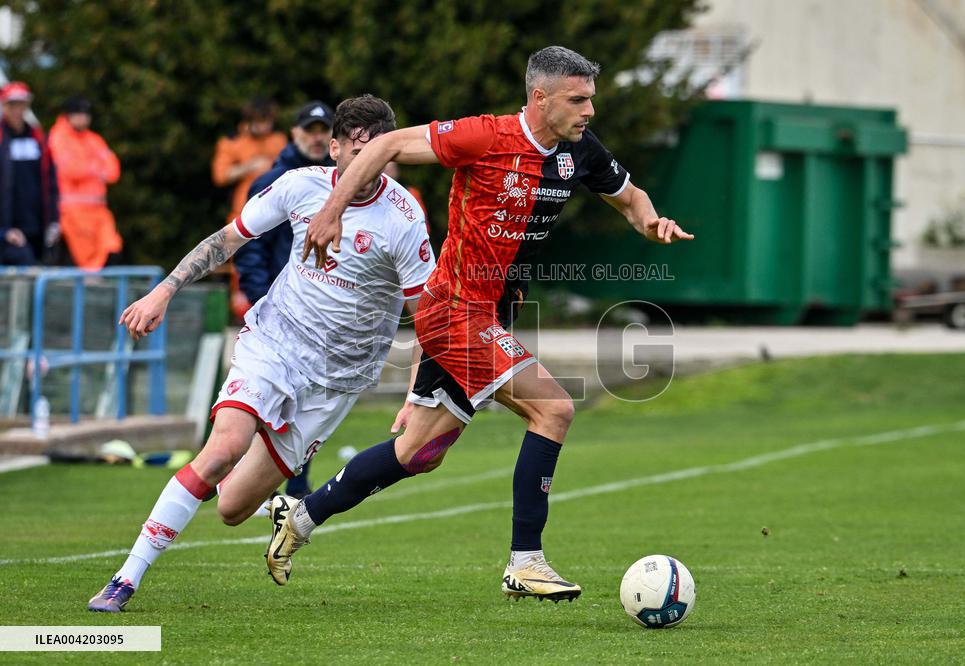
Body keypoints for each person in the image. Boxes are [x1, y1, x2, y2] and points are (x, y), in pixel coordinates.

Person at [264, 46, 694, 602]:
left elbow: (630, 198)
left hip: (495, 310)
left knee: (419, 451)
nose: (590, 110)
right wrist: (331, 212)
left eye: (592, 99)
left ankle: (299, 518)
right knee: (554, 407)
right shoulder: (484, 136)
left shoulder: (579, 151)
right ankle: (526, 561)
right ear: (540, 98)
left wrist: (651, 221)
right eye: (579, 99)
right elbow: (389, 144)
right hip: (455, 309)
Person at [87, 95, 435, 612]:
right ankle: (126, 578)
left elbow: (426, 316)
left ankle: (274, 505)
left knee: (231, 507)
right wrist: (164, 290)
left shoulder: (404, 217)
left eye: (377, 151)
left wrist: (415, 396)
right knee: (223, 448)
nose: (364, 161)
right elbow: (227, 240)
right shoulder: (299, 186)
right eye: (354, 149)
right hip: (274, 343)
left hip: (335, 381)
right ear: (333, 147)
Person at [235, 99, 336, 499]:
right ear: (293, 134)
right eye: (309, 130)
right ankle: (234, 474)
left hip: (317, 314)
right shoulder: (272, 181)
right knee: (263, 401)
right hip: (278, 314)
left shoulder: (339, 184)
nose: (316, 137)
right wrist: (262, 298)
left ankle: (293, 491)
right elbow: (250, 246)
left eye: (323, 130)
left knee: (303, 403)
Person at [48, 96, 123, 270]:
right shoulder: (59, 137)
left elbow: (113, 171)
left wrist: (89, 168)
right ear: (69, 115)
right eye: (79, 113)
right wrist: (96, 168)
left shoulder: (94, 139)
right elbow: (71, 170)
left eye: (86, 114)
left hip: (98, 211)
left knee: (112, 248)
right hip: (72, 213)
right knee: (83, 260)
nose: (83, 117)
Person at [0, 81, 59, 265]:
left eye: (21, 105)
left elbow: (51, 182)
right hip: (8, 233)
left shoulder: (38, 139)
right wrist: (3, 230)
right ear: (4, 106)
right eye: (12, 105)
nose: (17, 110)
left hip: (36, 228)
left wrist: (54, 221)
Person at [211, 97, 287, 226]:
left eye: (267, 121)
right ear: (248, 121)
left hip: (277, 212)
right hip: (243, 212)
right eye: (260, 121)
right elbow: (220, 176)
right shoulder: (233, 142)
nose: (264, 126)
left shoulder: (279, 140)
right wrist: (249, 167)